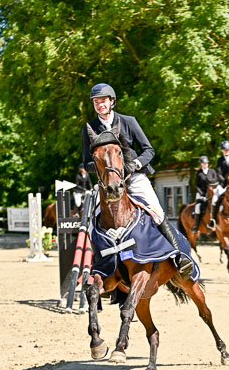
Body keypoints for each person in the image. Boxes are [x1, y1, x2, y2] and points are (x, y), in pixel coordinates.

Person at [81, 82, 193, 278]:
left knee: (156, 210)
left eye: (103, 101)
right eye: (96, 102)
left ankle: (178, 257)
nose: (100, 105)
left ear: (112, 102)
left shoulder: (128, 122)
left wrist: (136, 165)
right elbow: (85, 162)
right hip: (108, 184)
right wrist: (103, 170)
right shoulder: (90, 128)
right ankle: (98, 266)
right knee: (94, 221)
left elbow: (149, 150)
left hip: (134, 177)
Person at [192, 155, 218, 231]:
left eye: (206, 163)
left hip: (212, 193)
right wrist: (202, 194)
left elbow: (216, 181)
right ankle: (196, 226)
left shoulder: (212, 171)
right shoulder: (199, 173)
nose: (205, 164)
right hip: (201, 193)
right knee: (197, 208)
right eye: (203, 163)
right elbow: (197, 185)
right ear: (201, 164)